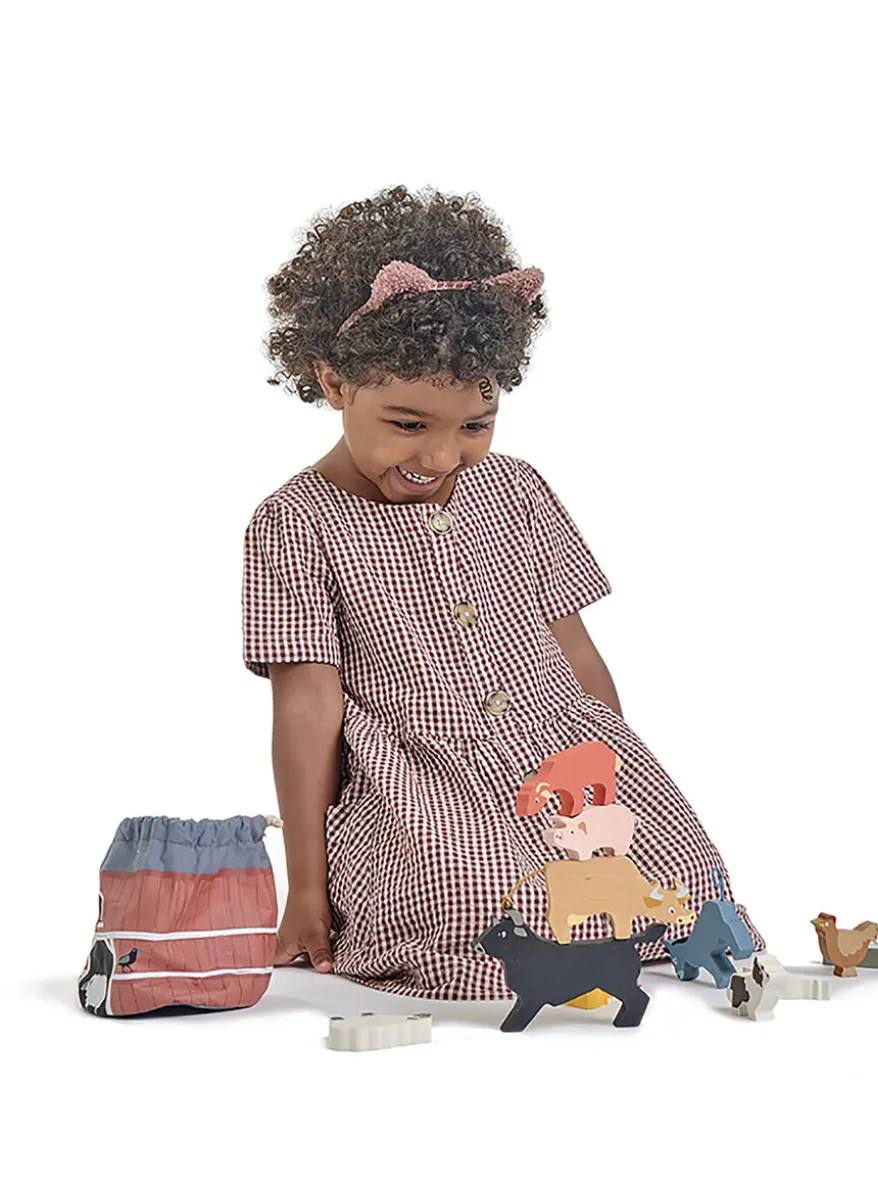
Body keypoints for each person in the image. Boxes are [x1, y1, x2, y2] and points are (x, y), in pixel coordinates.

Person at [242, 184, 764, 1000]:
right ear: (334, 381)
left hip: (561, 767)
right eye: (409, 423)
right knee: (483, 905)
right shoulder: (294, 523)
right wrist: (305, 888)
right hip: (431, 784)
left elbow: (575, 652)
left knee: (684, 877)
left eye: (475, 424)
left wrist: (618, 781)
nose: (442, 456)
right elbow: (307, 710)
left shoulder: (517, 490)